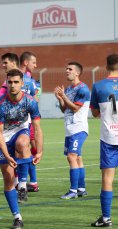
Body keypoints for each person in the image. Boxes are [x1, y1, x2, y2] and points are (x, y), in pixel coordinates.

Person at [0, 69, 43, 229]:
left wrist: (40, 151)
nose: (12, 85)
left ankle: (22, 184)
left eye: (16, 82)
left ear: (22, 83)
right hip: (4, 138)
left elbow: (37, 128)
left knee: (22, 144)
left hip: (20, 130)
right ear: (6, 83)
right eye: (10, 82)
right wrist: (7, 155)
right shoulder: (0, 105)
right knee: (8, 180)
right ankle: (17, 217)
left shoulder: (30, 101)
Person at [89, 53, 118, 227]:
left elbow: (94, 113)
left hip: (109, 137)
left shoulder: (99, 86)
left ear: (106, 66)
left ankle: (106, 218)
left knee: (107, 178)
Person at [54, 62, 90, 199]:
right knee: (77, 158)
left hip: (79, 128)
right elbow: (65, 109)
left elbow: (75, 108)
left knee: (71, 157)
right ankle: (81, 188)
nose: (67, 71)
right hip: (70, 129)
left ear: (77, 73)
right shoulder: (69, 89)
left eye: (70, 69)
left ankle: (73, 190)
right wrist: (60, 99)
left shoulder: (83, 89)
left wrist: (63, 96)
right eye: (66, 68)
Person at [19, 51, 41, 193]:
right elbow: (36, 99)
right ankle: (30, 183)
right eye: (34, 62)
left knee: (23, 152)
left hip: (22, 123)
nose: (36, 65)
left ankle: (25, 186)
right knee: (25, 152)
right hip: (25, 122)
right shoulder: (29, 81)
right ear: (25, 62)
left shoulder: (29, 81)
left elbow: (35, 100)